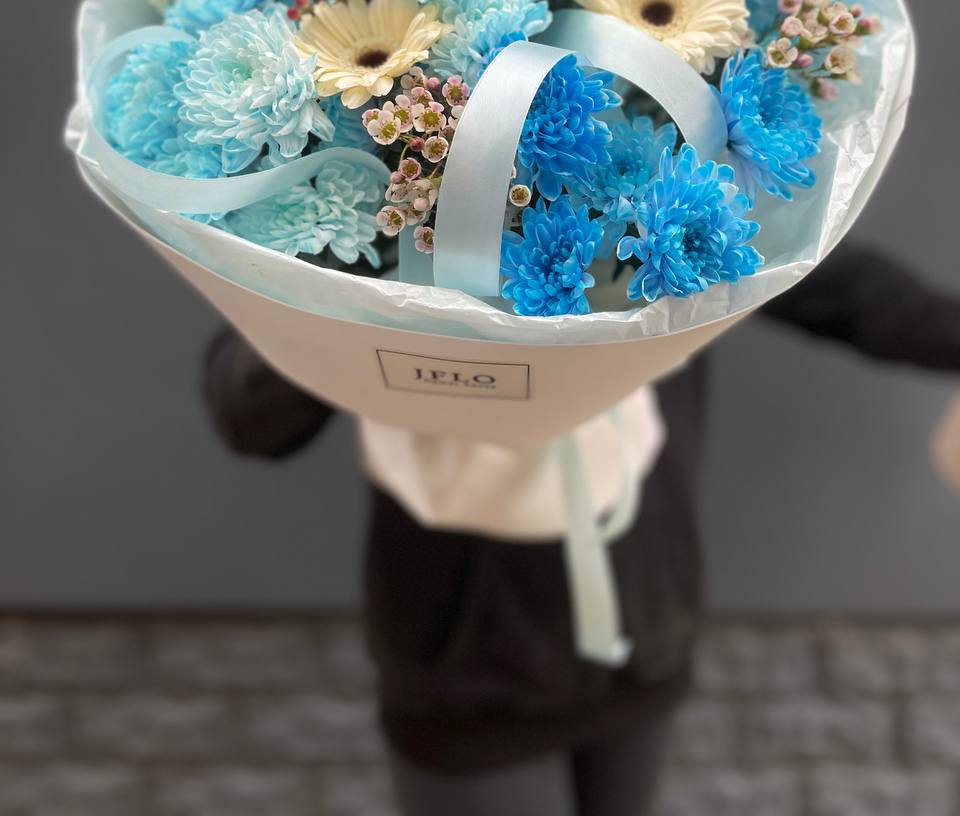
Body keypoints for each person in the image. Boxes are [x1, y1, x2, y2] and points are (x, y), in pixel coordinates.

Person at [203, 239, 960, 816]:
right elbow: (248, 412)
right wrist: (365, 263)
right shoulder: (374, 204)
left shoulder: (665, 155)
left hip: (642, 625)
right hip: (469, 668)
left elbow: (825, 275)